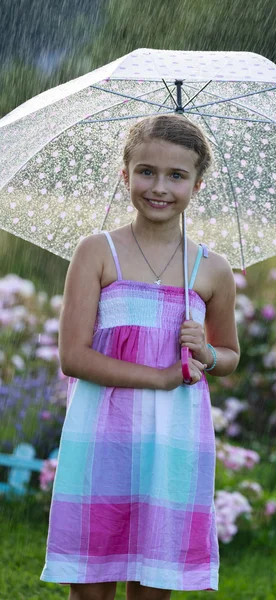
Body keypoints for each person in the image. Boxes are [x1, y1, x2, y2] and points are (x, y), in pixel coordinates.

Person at [40, 114, 240, 600]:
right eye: (147, 171)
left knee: (154, 583)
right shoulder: (97, 252)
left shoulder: (211, 270)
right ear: (124, 174)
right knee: (91, 583)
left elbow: (230, 355)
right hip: (103, 437)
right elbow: (74, 357)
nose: (160, 187)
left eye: (177, 176)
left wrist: (205, 351)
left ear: (197, 183)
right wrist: (160, 376)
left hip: (173, 441)